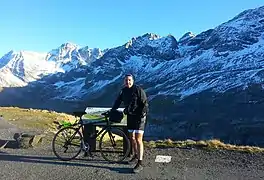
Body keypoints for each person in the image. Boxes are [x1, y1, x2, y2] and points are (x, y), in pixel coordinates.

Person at [111, 74, 149, 173]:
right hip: (130, 117)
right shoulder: (123, 91)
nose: (128, 82)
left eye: (129, 80)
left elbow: (145, 103)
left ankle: (140, 163)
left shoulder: (138, 90)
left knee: (138, 139)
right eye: (126, 80)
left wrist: (143, 114)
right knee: (131, 137)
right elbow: (118, 101)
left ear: (133, 80)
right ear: (124, 81)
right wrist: (112, 110)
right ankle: (135, 156)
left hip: (139, 117)